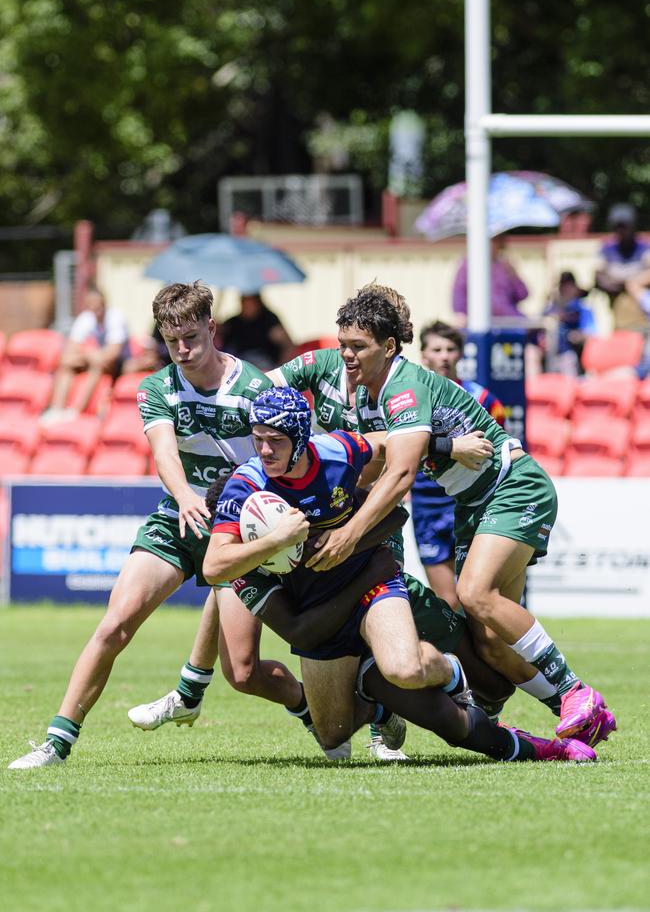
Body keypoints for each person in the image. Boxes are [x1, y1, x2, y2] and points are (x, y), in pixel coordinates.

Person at [205, 387, 596, 764]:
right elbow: (218, 570)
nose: (265, 450)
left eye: (275, 440)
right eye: (257, 440)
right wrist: (274, 541)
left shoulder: (337, 452)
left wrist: (448, 447)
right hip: (324, 618)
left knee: (412, 671)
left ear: (301, 437)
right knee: (333, 734)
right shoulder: (245, 491)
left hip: (373, 589)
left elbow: (395, 446)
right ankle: (378, 704)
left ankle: (473, 690)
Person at [304, 284, 616, 750]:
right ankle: (578, 715)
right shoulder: (375, 392)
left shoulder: (402, 388)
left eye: (357, 347)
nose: (346, 355)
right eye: (342, 345)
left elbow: (401, 472)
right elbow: (380, 458)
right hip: (474, 505)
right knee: (489, 642)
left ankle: (574, 692)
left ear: (388, 347)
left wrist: (350, 533)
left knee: (474, 593)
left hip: (512, 487)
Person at [8, 281, 305, 770]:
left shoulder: (255, 388)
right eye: (172, 342)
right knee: (114, 624)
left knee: (246, 674)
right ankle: (55, 745)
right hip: (177, 519)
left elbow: (284, 458)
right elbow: (164, 451)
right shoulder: (157, 387)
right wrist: (186, 496)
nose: (183, 351)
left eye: (192, 337)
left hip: (237, 531)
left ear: (212, 328)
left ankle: (311, 710)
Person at [410, 321, 506, 609]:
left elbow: (499, 447)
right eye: (436, 349)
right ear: (423, 355)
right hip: (426, 503)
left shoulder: (483, 399)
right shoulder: (411, 399)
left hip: (469, 501)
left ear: (461, 355)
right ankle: (456, 655)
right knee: (447, 600)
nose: (444, 356)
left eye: (450, 349)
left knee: (474, 595)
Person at [41, 285, 131, 422]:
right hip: (97, 357)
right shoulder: (87, 317)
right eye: (91, 303)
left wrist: (89, 354)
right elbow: (70, 347)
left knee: (97, 365)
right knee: (67, 363)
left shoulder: (115, 317)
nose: (94, 307)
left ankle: (76, 410)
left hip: (120, 363)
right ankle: (56, 408)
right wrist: (90, 354)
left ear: (104, 302)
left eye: (96, 303)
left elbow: (113, 352)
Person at [595, 203, 650, 331]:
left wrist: (634, 283)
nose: (621, 231)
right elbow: (598, 275)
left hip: (641, 311)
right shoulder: (606, 248)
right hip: (615, 307)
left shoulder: (644, 247)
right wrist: (616, 284)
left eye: (624, 227)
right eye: (618, 227)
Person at [452, 234, 529, 323]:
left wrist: (514, 276)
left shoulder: (504, 266)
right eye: (494, 241)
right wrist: (461, 314)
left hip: (509, 321)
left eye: (499, 243)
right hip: (481, 321)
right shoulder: (468, 265)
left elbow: (523, 295)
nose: (497, 247)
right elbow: (459, 293)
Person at [220, 293, 295, 371]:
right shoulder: (233, 322)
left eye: (249, 302)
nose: (246, 306)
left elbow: (287, 345)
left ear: (258, 303)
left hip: (265, 364)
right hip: (239, 363)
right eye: (244, 302)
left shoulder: (270, 320)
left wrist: (280, 369)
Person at [542, 271, 597, 375]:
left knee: (567, 360)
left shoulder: (582, 308)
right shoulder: (551, 308)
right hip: (547, 355)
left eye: (569, 287)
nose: (566, 290)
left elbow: (591, 333)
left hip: (569, 356)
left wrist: (576, 336)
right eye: (563, 287)